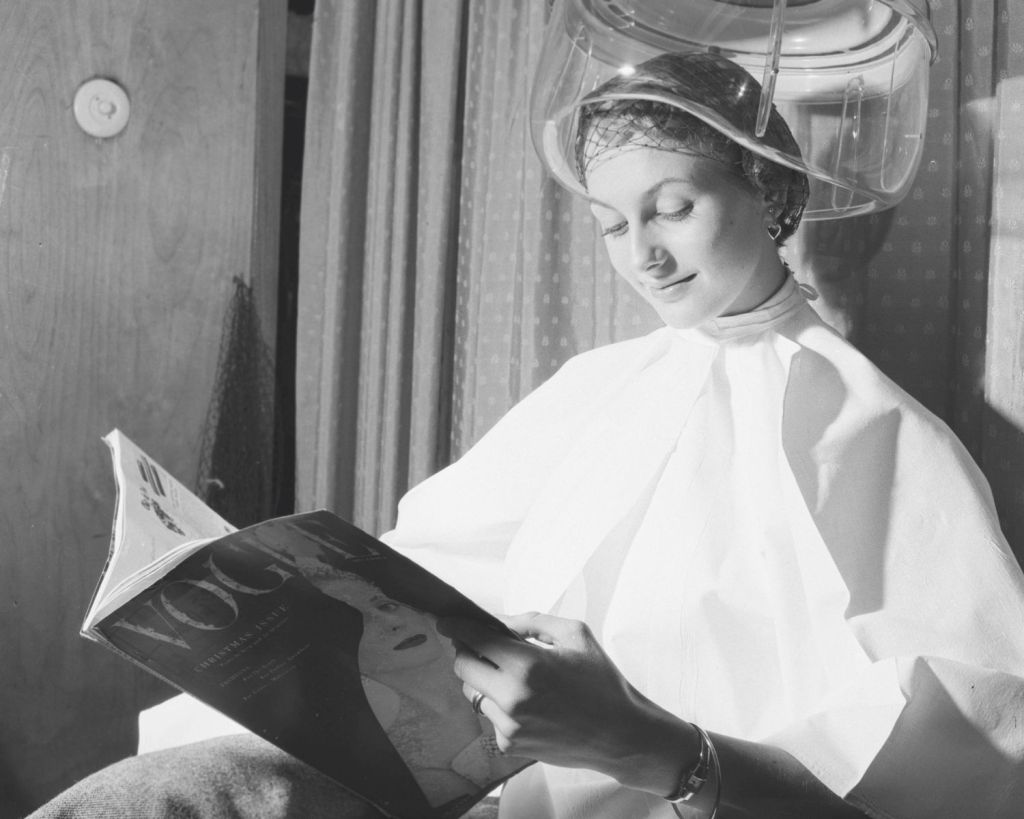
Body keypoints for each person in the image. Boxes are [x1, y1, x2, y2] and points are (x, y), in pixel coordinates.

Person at [29, 51, 1024, 819]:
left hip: (679, 794)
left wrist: (641, 739)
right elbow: (429, 567)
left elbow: (961, 763)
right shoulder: (598, 387)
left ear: (769, 193)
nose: (644, 254)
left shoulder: (876, 432)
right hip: (468, 784)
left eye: (671, 208)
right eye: (609, 224)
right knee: (157, 794)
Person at [301, 564, 527, 808]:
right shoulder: (402, 755)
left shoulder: (511, 660)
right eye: (359, 620)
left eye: (385, 605)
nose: (392, 622)